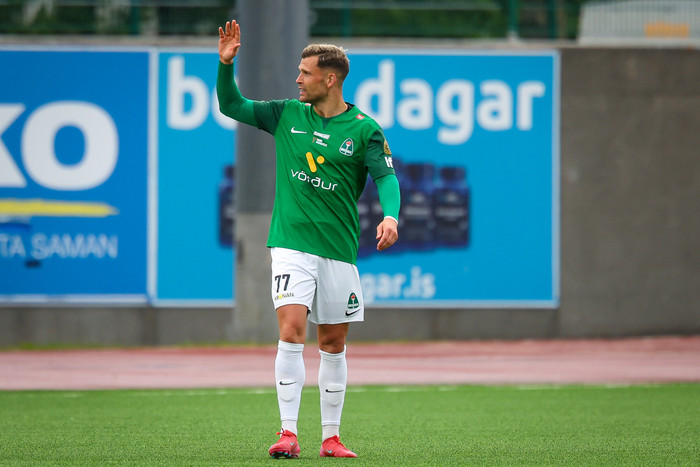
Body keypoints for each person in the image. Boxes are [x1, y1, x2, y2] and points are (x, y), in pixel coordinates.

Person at [217, 20, 400, 459]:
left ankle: (331, 439)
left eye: (305, 73)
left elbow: (386, 177)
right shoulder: (285, 114)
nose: (297, 79)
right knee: (291, 330)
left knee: (332, 344)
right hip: (291, 244)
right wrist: (225, 65)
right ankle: (288, 433)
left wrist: (391, 216)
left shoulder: (365, 129)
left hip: (338, 250)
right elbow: (231, 105)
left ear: (330, 79)